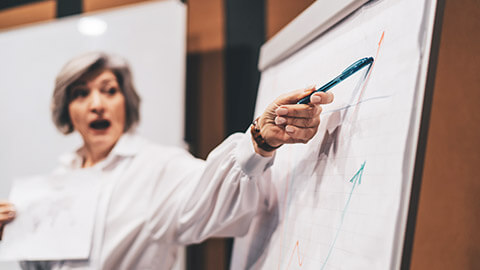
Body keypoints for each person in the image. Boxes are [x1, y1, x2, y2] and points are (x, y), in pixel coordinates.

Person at [0, 52, 333, 269]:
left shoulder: (156, 166)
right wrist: (13, 237)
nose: (96, 104)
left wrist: (259, 140)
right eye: (80, 94)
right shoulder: (54, 184)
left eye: (109, 90)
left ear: (125, 104)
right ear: (66, 111)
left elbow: (217, 202)